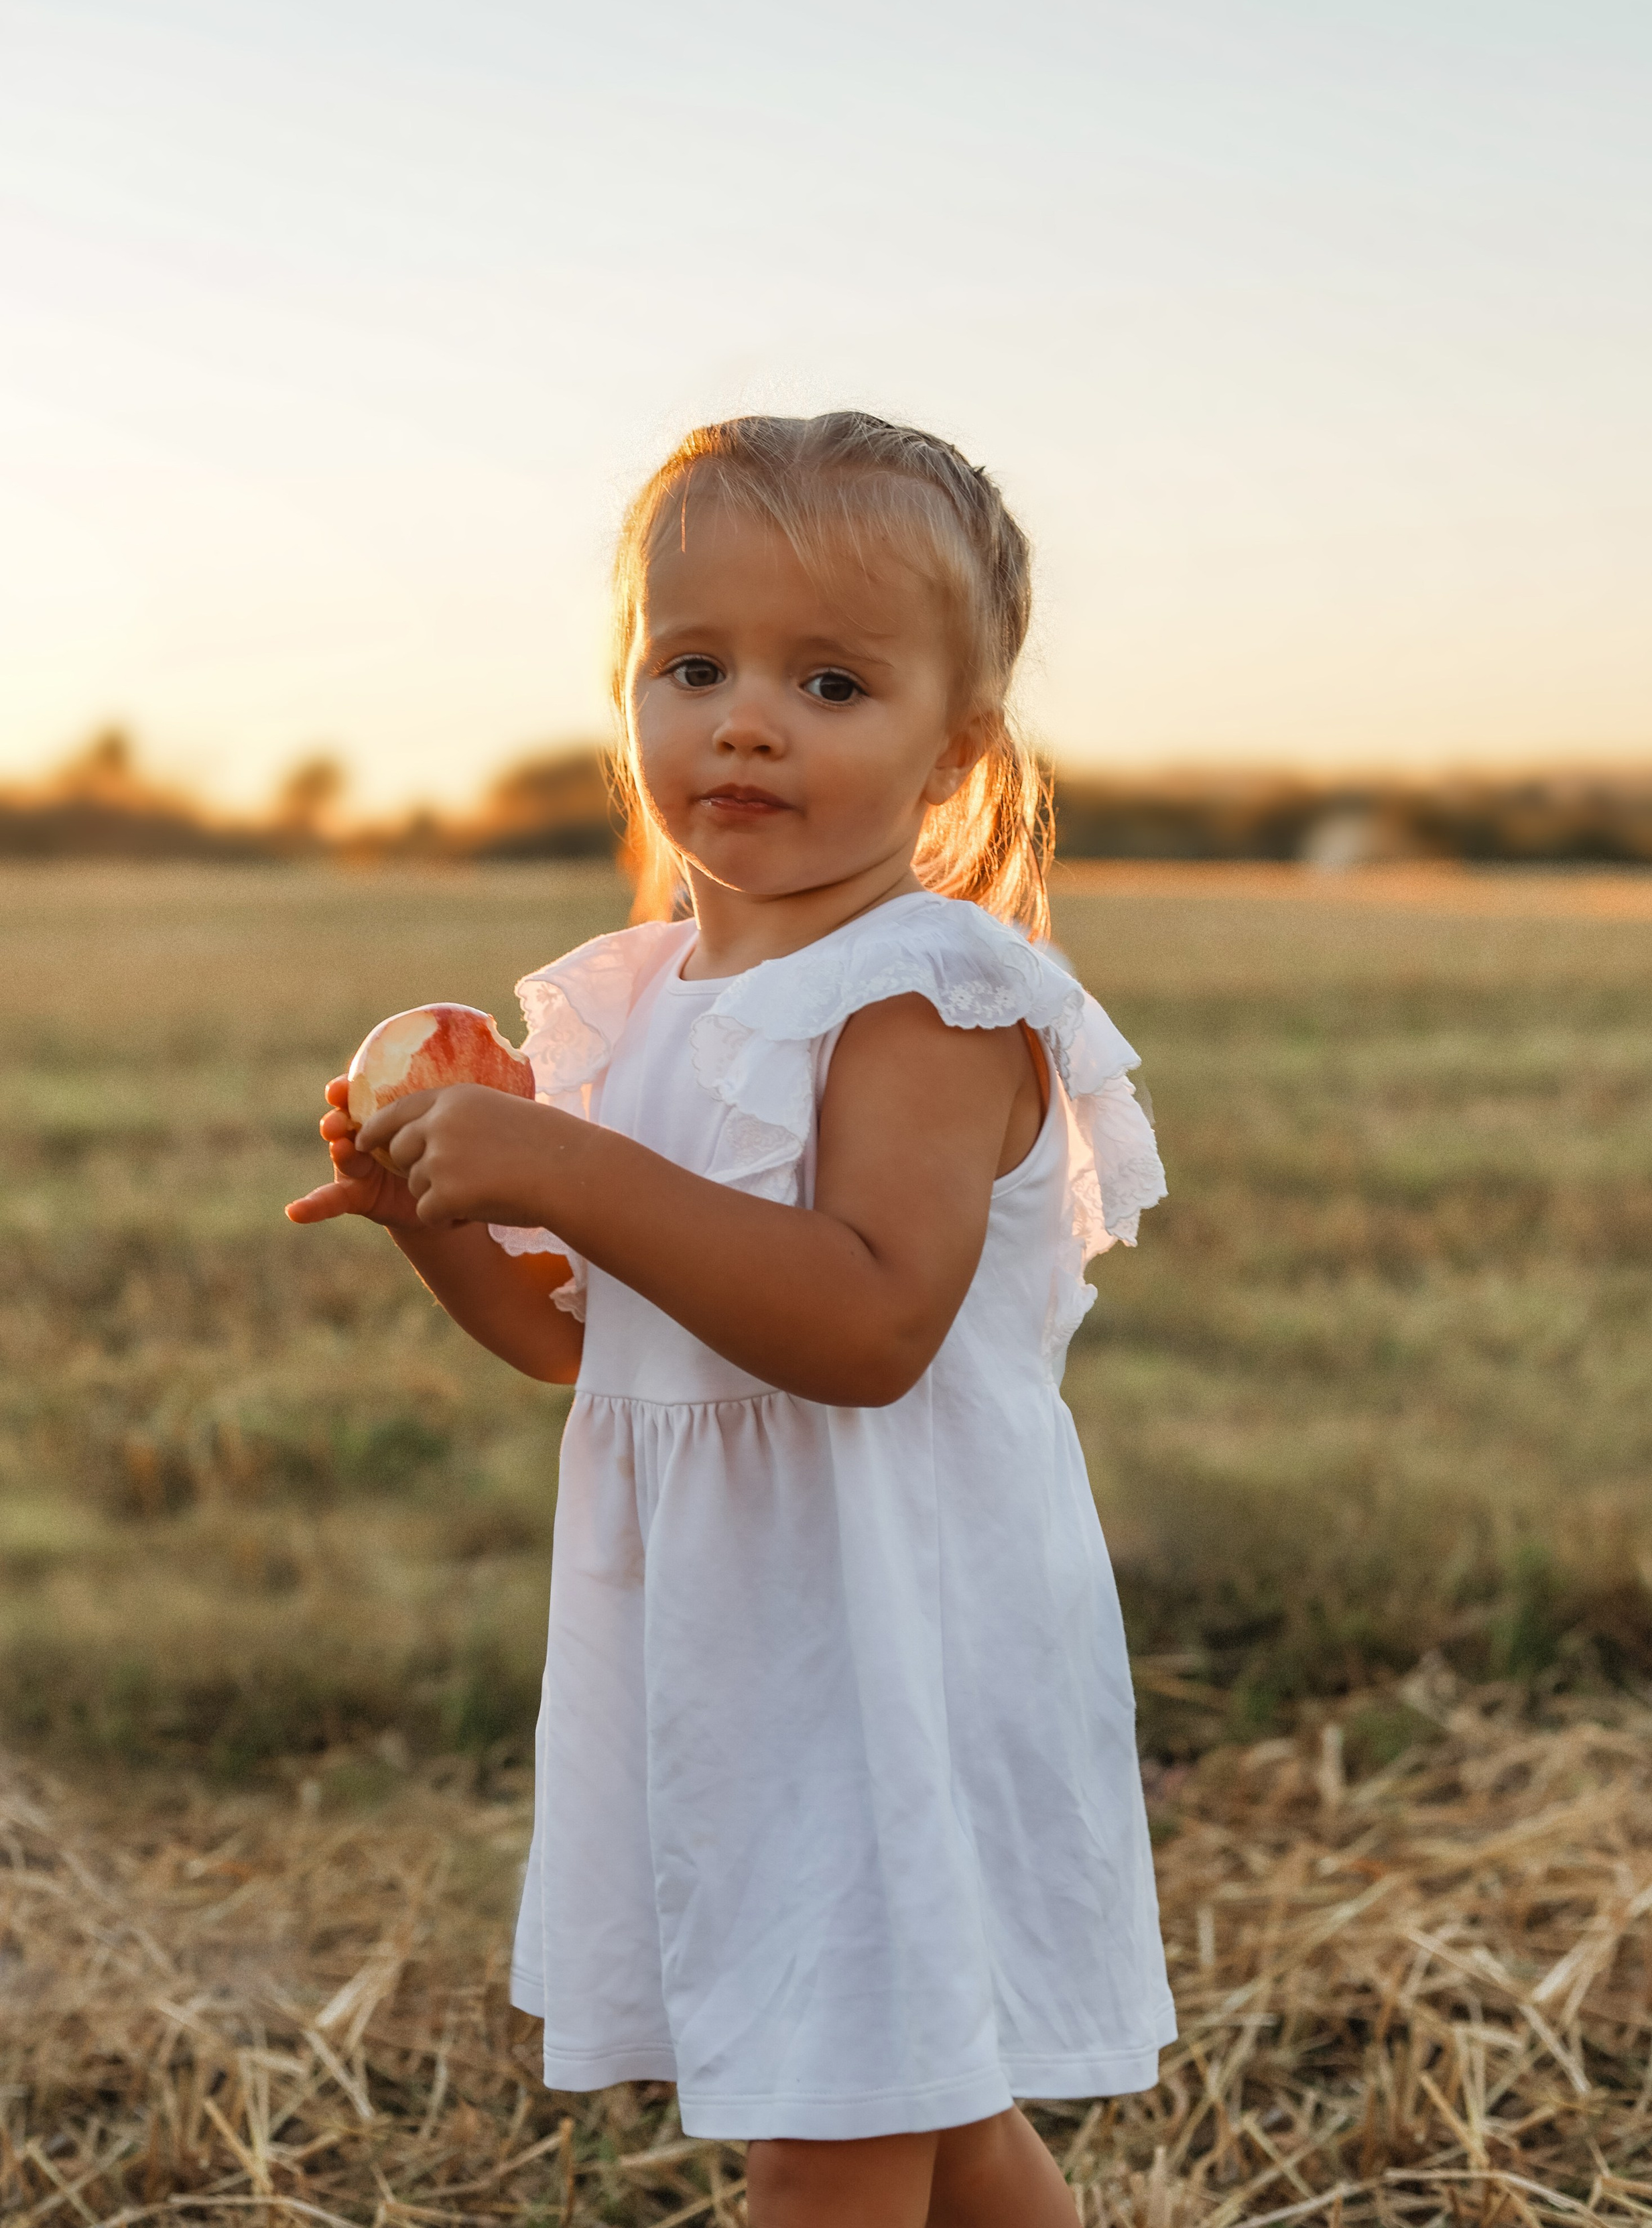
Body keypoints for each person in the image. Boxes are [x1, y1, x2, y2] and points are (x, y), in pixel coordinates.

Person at [287, 412, 1174, 2227]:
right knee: (926, 2103)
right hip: (739, 1636)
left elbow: (866, 1328)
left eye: (830, 682)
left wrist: (569, 1164)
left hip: (886, 1630)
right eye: (694, 668)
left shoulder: (926, 1000)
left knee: (829, 2121)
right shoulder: (643, 1001)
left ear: (956, 747)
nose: (746, 723)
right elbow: (586, 1344)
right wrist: (440, 1221)